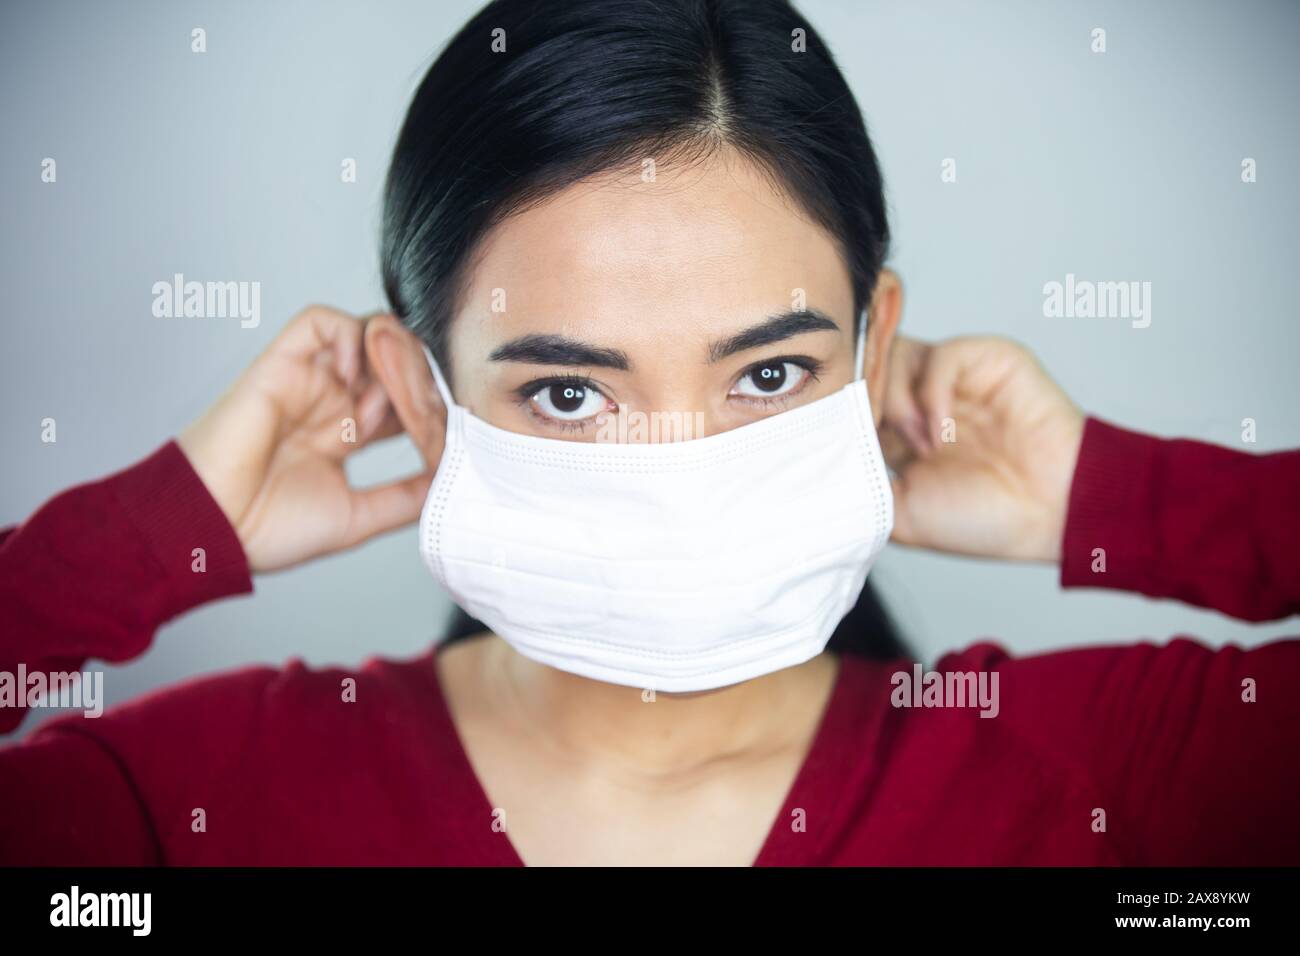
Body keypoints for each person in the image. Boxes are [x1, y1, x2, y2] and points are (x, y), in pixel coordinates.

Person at [2, 0, 1297, 866]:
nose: (684, 484)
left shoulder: (1111, 778)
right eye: (570, 393)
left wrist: (1114, 499)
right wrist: (156, 538)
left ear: (875, 347)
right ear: (416, 396)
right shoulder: (188, 809)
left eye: (771, 372)